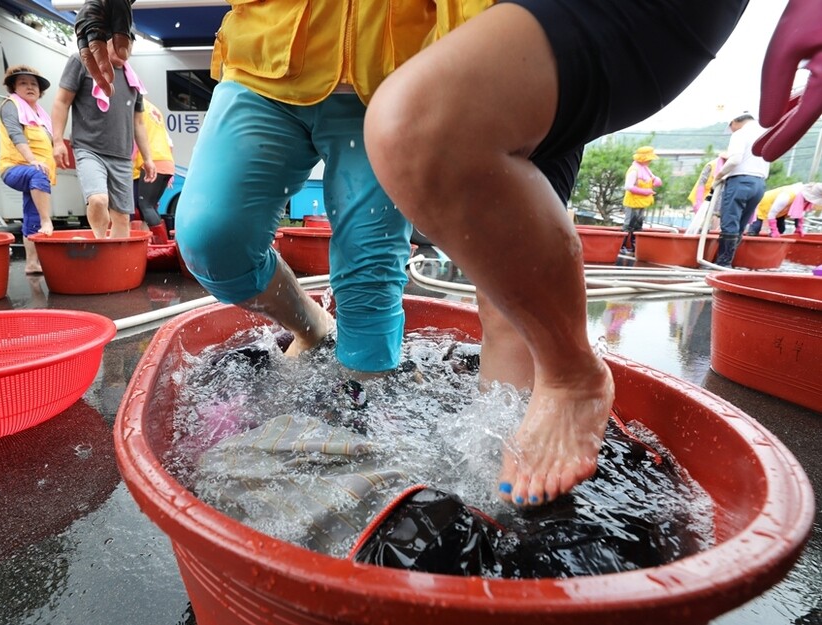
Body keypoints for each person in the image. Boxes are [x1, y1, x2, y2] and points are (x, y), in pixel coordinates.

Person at [73, 0, 822, 507]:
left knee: (381, 274)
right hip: (271, 54)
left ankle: (414, 446)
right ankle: (314, 327)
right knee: (207, 234)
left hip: (392, 58)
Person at [164, 2, 451, 377]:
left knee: (370, 276)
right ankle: (311, 325)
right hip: (264, 62)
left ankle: (362, 402)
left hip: (390, 76)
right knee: (211, 240)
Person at [51, 41, 155, 239]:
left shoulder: (133, 79)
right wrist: (57, 142)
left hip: (123, 156)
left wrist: (148, 158)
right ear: (104, 41)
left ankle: (114, 265)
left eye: (129, 45)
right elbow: (62, 101)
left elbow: (139, 123)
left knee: (123, 218)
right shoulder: (82, 61)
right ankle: (100, 244)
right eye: (119, 42)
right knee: (98, 200)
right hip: (89, 148)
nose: (125, 50)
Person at [0, 65, 56, 274]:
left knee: (31, 216)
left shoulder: (41, 115)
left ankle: (32, 264)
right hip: (14, 167)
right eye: (23, 83)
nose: (30, 87)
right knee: (37, 175)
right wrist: (32, 160)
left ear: (40, 91)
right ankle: (46, 220)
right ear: (14, 87)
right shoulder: (11, 105)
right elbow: (15, 134)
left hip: (35, 172)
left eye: (34, 84)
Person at [712, 111, 770, 266]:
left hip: (740, 181)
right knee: (740, 225)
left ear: (734, 122)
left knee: (730, 223)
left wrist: (719, 176)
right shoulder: (765, 133)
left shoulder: (740, 134)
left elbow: (735, 159)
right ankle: (729, 262)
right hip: (759, 183)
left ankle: (722, 264)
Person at [131, 98, 174, 245]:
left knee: (145, 206)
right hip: (166, 160)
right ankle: (151, 244)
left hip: (152, 159)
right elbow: (169, 141)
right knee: (150, 207)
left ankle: (162, 245)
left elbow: (132, 137)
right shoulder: (154, 109)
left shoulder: (134, 107)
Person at [621, 146, 663, 252]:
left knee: (638, 225)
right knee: (628, 224)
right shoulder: (634, 170)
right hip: (632, 202)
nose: (650, 161)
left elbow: (653, 179)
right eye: (649, 159)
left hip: (641, 202)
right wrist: (645, 192)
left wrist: (656, 180)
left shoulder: (645, 169)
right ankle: (622, 247)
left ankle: (634, 247)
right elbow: (628, 186)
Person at [747, 182, 822, 237]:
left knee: (781, 229)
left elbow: (799, 214)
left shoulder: (803, 201)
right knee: (755, 228)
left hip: (780, 211)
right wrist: (773, 230)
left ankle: (771, 245)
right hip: (764, 205)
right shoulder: (787, 196)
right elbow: (772, 214)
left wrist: (799, 227)